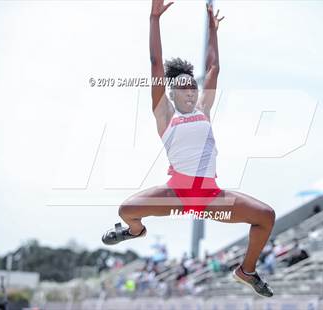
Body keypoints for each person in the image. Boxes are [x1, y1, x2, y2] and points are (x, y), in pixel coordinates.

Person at [101, 0, 275, 298]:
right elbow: (156, 64)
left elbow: (214, 67)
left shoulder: (204, 109)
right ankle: (133, 231)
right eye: (183, 86)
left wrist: (213, 29)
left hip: (210, 198)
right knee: (126, 210)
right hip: (176, 195)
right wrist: (154, 18)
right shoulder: (165, 115)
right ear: (171, 92)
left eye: (193, 86)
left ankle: (246, 270)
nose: (190, 90)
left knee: (266, 216)